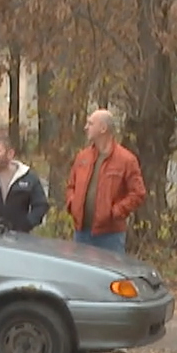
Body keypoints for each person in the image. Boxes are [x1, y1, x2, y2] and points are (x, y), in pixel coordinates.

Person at [65, 109, 147, 254]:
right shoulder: (83, 157)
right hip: (81, 232)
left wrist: (116, 211)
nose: (86, 127)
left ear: (103, 128)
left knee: (110, 269)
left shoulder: (126, 160)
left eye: (90, 123)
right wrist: (73, 204)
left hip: (110, 236)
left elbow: (138, 193)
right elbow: (71, 186)